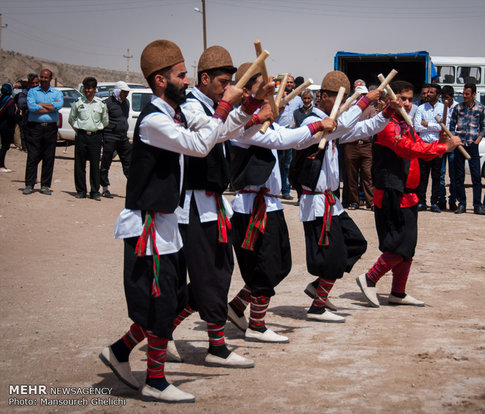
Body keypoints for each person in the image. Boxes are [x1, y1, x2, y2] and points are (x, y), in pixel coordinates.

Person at [99, 39, 268, 403]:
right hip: (148, 227)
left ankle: (120, 350)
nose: (186, 80)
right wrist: (229, 105)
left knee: (170, 299)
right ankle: (155, 380)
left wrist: (248, 108)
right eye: (180, 75)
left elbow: (215, 132)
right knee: (158, 302)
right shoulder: (154, 120)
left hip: (167, 225)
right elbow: (199, 146)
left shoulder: (175, 113)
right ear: (160, 80)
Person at [166, 47, 273, 369]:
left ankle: (164, 327)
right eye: (224, 82)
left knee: (219, 271)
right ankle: (213, 344)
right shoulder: (189, 106)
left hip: (213, 203)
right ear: (205, 79)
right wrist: (246, 108)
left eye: (230, 83)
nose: (227, 88)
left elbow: (225, 131)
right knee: (210, 275)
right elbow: (209, 136)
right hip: (192, 202)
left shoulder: (210, 106)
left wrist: (251, 107)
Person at [227, 63, 336, 343]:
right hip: (253, 208)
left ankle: (239, 305)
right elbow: (281, 139)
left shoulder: (264, 122)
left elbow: (293, 141)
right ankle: (257, 325)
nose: (267, 96)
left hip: (270, 205)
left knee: (281, 264)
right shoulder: (241, 125)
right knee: (265, 266)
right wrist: (316, 124)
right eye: (260, 91)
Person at [356, 80, 462, 309]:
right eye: (402, 98)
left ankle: (398, 292)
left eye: (409, 99)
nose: (405, 102)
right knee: (398, 245)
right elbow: (406, 148)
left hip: (408, 192)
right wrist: (443, 148)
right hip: (392, 192)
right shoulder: (386, 125)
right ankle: (369, 278)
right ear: (389, 100)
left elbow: (419, 148)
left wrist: (440, 144)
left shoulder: (406, 123)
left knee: (409, 246)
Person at [295, 70, 390, 322]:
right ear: (323, 97)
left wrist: (387, 113)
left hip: (331, 202)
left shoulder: (333, 126)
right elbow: (346, 125)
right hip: (316, 201)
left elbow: (361, 128)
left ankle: (319, 286)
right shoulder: (311, 123)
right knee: (333, 256)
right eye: (339, 98)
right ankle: (318, 305)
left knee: (356, 243)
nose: (343, 102)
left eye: (347, 98)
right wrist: (365, 100)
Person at [449, 82, 485, 215]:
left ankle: (477, 205)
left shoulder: (480, 109)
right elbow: (451, 126)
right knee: (459, 176)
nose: (464, 96)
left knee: (476, 177)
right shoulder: (458, 108)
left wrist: (477, 141)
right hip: (459, 146)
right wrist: (455, 140)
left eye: (467, 94)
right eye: (463, 93)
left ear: (474, 94)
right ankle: (462, 204)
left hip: (472, 145)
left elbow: (484, 127)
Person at [69, 76, 109, 200]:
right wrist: (80, 130)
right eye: (86, 88)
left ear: (95, 89)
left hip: (95, 137)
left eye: (90, 88)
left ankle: (94, 191)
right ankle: (81, 191)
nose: (87, 91)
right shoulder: (78, 103)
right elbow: (72, 119)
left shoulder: (101, 104)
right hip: (81, 136)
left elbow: (105, 121)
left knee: (94, 165)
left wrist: (96, 129)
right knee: (79, 164)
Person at [24, 68, 63, 195]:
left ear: (50, 79)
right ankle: (29, 184)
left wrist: (40, 104)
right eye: (41, 77)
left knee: (48, 157)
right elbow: (32, 107)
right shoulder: (32, 91)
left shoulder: (57, 93)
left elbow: (58, 106)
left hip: (51, 129)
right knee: (33, 156)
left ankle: (45, 185)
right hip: (35, 128)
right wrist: (50, 107)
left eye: (46, 78)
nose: (43, 80)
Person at [341, 81, 375, 210]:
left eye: (363, 94)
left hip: (366, 145)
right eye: (359, 94)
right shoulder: (349, 107)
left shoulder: (371, 108)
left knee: (368, 175)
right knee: (351, 175)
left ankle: (370, 201)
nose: (361, 96)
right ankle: (354, 201)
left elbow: (373, 124)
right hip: (351, 145)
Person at [414, 83, 445, 213]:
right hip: (424, 145)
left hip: (437, 145)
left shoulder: (444, 108)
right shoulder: (421, 108)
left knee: (437, 175)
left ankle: (435, 202)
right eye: (427, 92)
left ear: (438, 95)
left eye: (431, 92)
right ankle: (422, 201)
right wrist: (434, 125)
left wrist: (426, 123)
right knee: (423, 175)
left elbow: (443, 127)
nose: (428, 94)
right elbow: (417, 127)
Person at [100, 81, 132, 199]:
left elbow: (125, 118)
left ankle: (132, 189)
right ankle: (105, 188)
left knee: (128, 162)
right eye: (124, 92)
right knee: (106, 162)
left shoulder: (126, 103)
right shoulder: (107, 103)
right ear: (118, 91)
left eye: (127, 92)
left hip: (123, 137)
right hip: (110, 137)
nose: (126, 95)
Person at [277, 75, 302, 201]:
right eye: (287, 82)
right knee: (277, 163)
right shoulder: (276, 97)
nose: (289, 84)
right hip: (277, 134)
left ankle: (286, 189)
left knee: (288, 164)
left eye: (291, 82)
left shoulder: (298, 100)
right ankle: (278, 188)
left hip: (291, 135)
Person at [441, 86, 458, 211]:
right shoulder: (439, 107)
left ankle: (453, 200)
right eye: (443, 97)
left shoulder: (458, 107)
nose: (444, 100)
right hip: (441, 143)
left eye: (447, 97)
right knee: (441, 174)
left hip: (453, 143)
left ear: (452, 96)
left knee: (453, 174)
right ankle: (442, 200)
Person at [15, 74, 39, 153]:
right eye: (33, 83)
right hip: (28, 121)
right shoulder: (25, 93)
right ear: (29, 83)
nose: (35, 85)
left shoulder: (41, 92)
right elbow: (21, 103)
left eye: (36, 83)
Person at [0, 83, 18, 173]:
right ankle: (1, 165)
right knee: (5, 146)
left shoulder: (1, 99)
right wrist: (19, 117)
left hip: (1, 124)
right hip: (7, 126)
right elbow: (11, 115)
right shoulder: (10, 101)